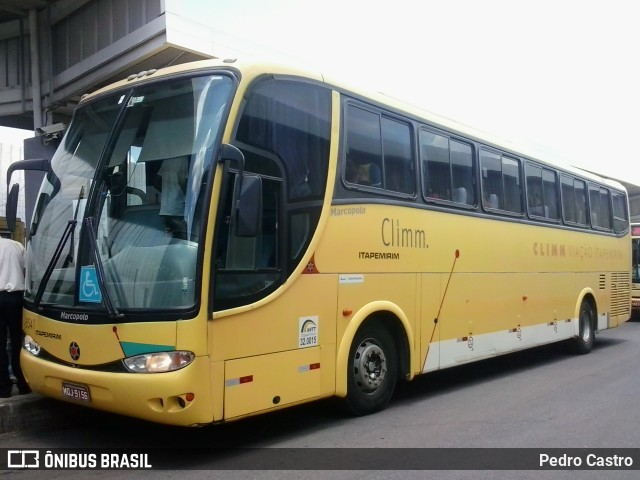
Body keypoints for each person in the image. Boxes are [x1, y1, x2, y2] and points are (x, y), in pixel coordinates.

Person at [0, 236, 30, 397]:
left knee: (0, 345)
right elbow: (28, 268)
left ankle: (3, 388)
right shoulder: (17, 245)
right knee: (18, 341)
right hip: (16, 298)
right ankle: (23, 383)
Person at [156, 156, 188, 239]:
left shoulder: (167, 160)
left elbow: (156, 182)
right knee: (184, 241)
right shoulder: (184, 159)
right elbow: (183, 184)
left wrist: (168, 192)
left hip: (165, 210)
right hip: (178, 210)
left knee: (170, 240)